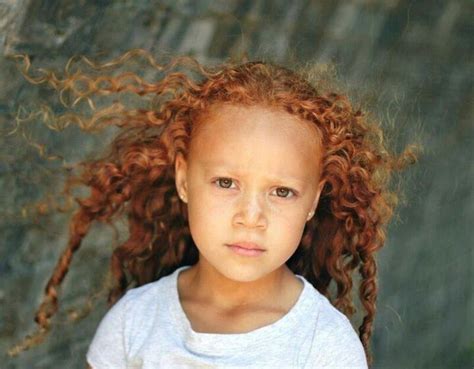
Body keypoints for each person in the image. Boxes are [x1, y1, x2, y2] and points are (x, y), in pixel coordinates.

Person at [11, 50, 416, 368]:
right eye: (226, 183)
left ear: (313, 201)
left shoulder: (323, 345)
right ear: (184, 180)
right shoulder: (133, 324)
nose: (251, 216)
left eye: (282, 192)